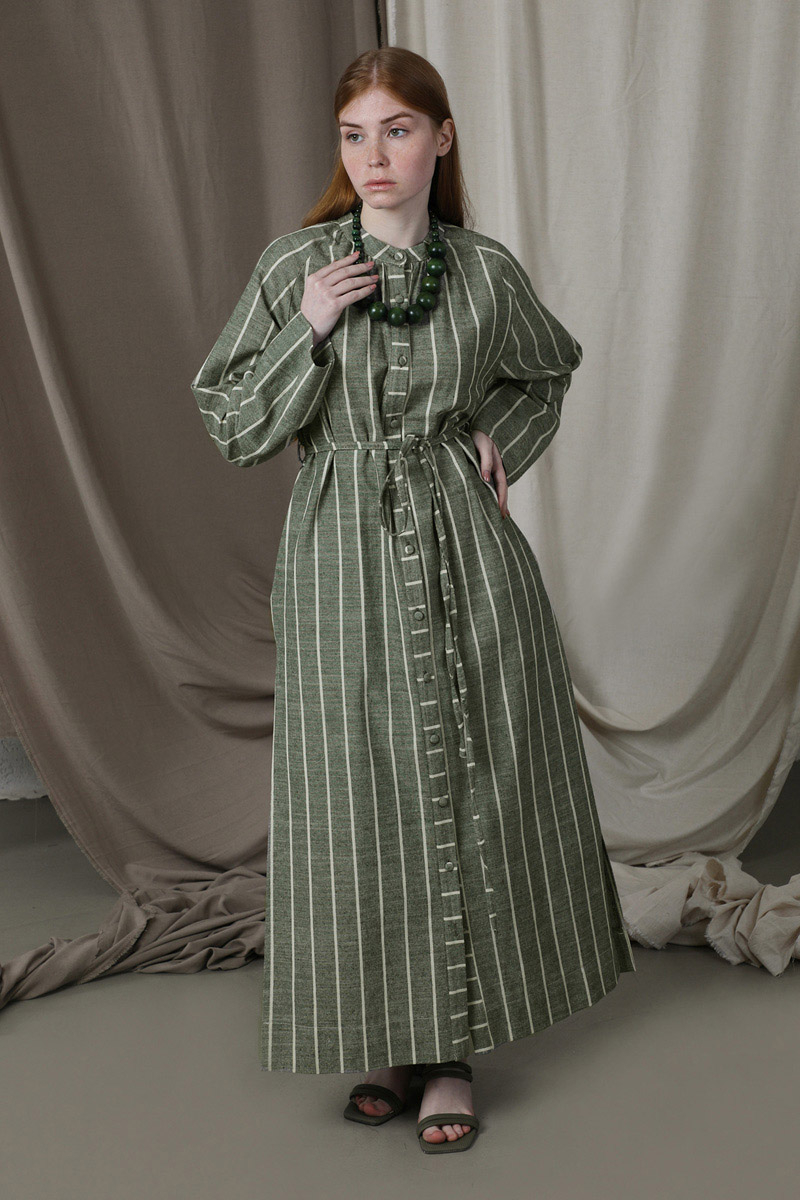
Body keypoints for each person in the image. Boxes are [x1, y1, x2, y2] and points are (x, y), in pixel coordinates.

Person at [191, 46, 636, 1155]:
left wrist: (497, 434)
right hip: (338, 558)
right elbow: (234, 426)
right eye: (354, 135)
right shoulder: (295, 265)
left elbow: (546, 369)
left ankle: (450, 1055)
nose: (374, 156)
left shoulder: (480, 272)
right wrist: (307, 327)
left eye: (396, 130)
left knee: (466, 783)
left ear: (441, 138)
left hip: (465, 556)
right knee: (355, 796)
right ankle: (384, 1037)